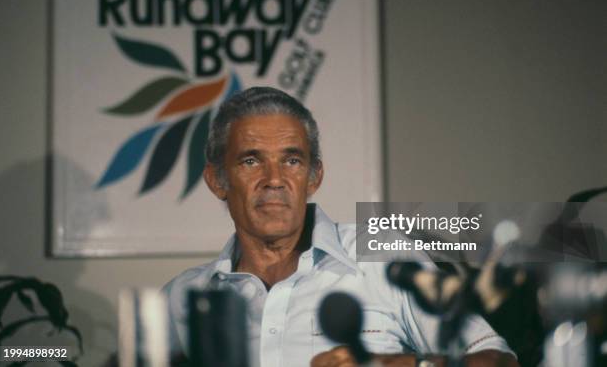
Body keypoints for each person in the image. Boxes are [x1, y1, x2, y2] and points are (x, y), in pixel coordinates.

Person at [163, 87, 518, 367]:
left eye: (292, 160)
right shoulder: (181, 297)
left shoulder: (382, 256)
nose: (274, 179)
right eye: (251, 160)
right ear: (217, 180)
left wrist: (398, 365)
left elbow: (498, 362)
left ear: (314, 176)